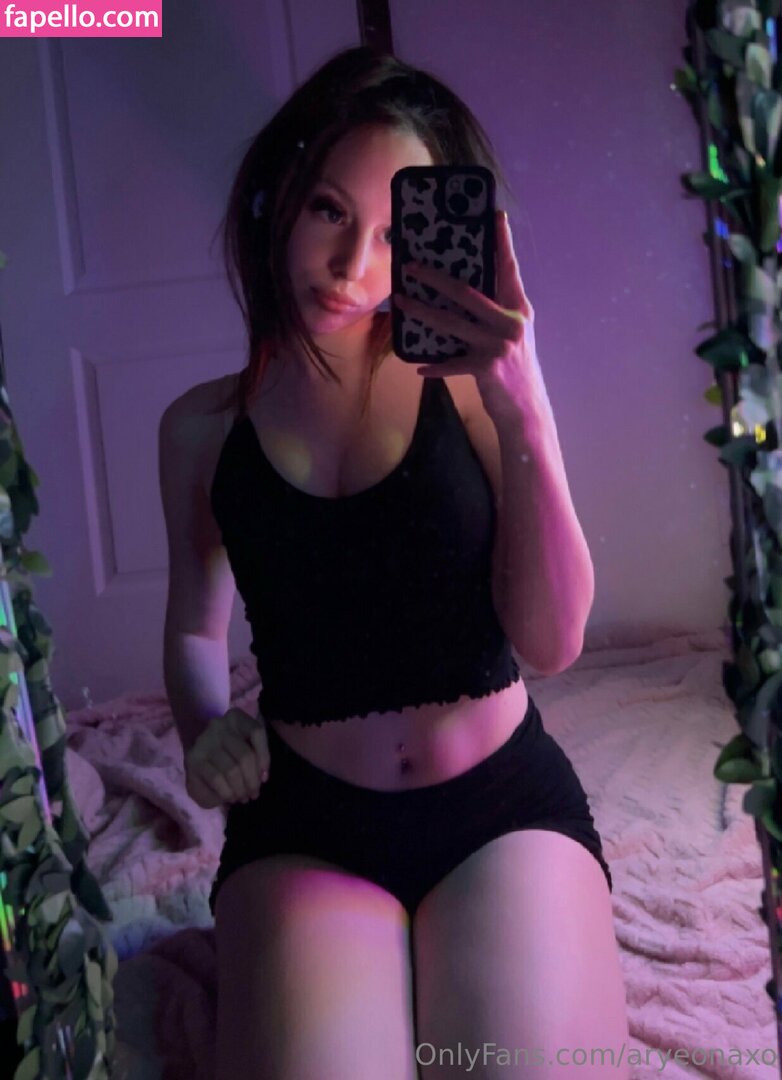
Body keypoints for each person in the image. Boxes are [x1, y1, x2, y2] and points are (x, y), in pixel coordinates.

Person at [158, 45, 629, 1080]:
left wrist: (526, 408)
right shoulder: (200, 429)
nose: (351, 266)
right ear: (277, 195)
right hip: (303, 827)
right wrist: (204, 729)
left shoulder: (471, 386)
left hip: (500, 809)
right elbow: (195, 623)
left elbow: (552, 642)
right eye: (330, 210)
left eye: (391, 233)